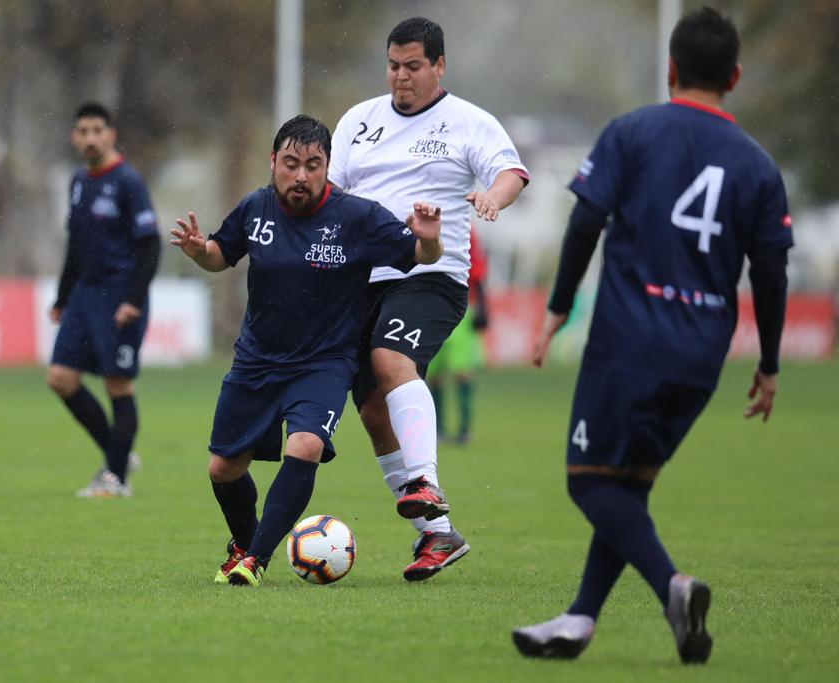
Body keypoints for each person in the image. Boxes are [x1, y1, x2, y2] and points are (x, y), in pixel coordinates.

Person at [512, 7, 792, 664]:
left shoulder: (632, 131)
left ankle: (672, 584)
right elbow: (772, 270)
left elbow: (586, 223)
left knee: (589, 482)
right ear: (735, 76)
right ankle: (580, 618)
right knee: (628, 483)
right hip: (701, 351)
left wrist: (557, 306)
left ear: (670, 69)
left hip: (629, 341)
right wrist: (771, 361)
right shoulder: (756, 163)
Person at [170, 115, 443, 587]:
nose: (301, 175)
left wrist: (430, 237)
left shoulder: (357, 217)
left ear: (327, 167)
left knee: (307, 445)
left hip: (324, 362)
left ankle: (254, 559)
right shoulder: (255, 209)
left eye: (312, 165)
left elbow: (421, 257)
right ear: (273, 162)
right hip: (256, 360)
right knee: (223, 469)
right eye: (291, 163)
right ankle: (246, 543)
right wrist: (200, 252)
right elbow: (221, 254)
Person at [329, 17, 529, 581]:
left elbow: (511, 172)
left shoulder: (469, 122)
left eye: (413, 67)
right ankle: (437, 536)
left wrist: (491, 196)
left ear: (439, 66)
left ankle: (425, 483)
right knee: (371, 411)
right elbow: (334, 195)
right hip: (362, 279)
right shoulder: (358, 121)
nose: (401, 78)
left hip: (432, 273)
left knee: (392, 360)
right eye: (393, 66)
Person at [46, 102, 160, 498]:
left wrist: (133, 298)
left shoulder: (128, 182)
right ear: (74, 138)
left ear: (111, 135)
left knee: (117, 384)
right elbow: (75, 246)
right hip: (84, 296)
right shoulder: (78, 180)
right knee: (60, 379)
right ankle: (119, 453)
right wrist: (62, 297)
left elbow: (150, 244)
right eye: (83, 131)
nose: (91, 138)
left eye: (98, 130)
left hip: (120, 297)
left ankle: (115, 479)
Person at [428, 228, 489, 445]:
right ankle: (438, 429)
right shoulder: (418, 222)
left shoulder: (464, 229)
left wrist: (483, 306)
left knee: (462, 371)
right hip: (428, 307)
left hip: (462, 308)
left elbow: (478, 272)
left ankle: (464, 430)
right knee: (432, 373)